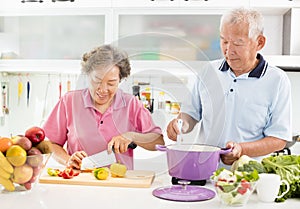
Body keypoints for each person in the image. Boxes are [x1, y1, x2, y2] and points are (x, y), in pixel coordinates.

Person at [167, 8, 292, 165]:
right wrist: (180, 125)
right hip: (204, 172)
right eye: (224, 41)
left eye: (238, 43)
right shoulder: (208, 71)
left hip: (248, 178)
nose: (229, 50)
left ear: (259, 42)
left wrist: (242, 149)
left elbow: (278, 139)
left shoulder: (277, 80)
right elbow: (190, 114)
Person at [43, 44, 164, 170]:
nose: (103, 89)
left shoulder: (131, 104)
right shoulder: (69, 101)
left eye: (111, 83)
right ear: (88, 74)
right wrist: (68, 160)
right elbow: (51, 143)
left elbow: (158, 142)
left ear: (120, 80)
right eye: (97, 80)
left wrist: (132, 136)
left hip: (119, 183)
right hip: (79, 181)